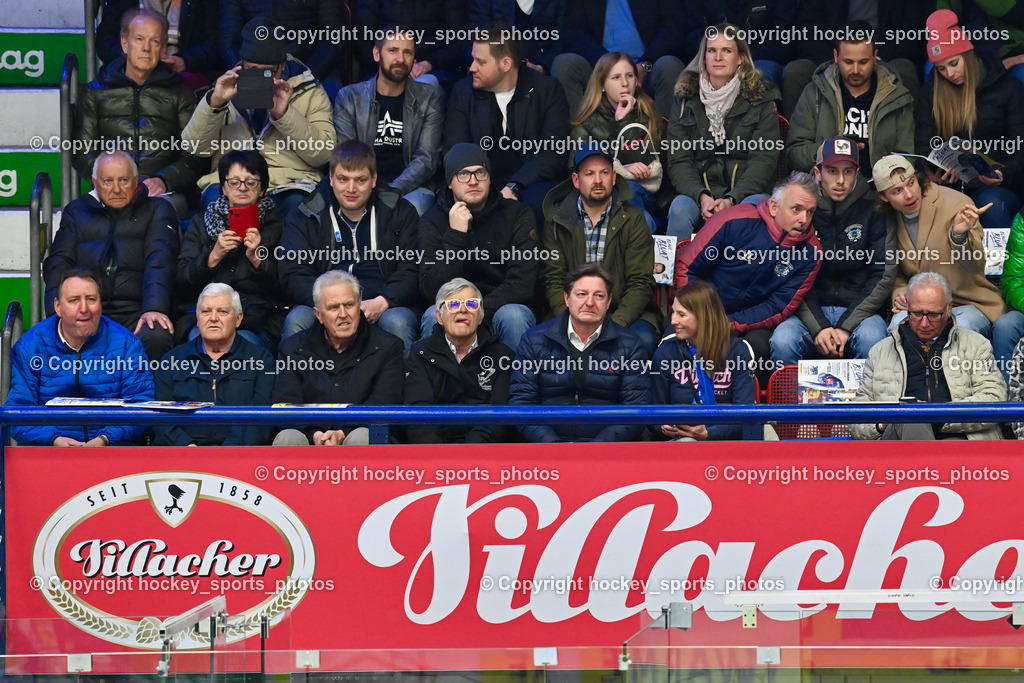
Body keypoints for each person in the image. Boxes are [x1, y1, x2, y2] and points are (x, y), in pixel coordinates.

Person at [676, 172, 822, 384]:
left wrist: (730, 324)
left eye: (810, 212)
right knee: (673, 346)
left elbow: (779, 306)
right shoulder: (734, 220)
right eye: (796, 209)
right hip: (699, 312)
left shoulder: (811, 252)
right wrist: (698, 315)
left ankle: (750, 413)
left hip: (744, 325)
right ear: (774, 207)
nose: (804, 220)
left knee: (761, 347)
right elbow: (688, 268)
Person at [872, 155, 1016, 369]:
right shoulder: (887, 218)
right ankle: (909, 397)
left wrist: (958, 235)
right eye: (897, 191)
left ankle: (960, 400)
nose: (909, 194)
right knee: (896, 327)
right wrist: (901, 292)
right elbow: (896, 273)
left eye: (911, 183)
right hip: (920, 306)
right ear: (884, 197)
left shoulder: (956, 203)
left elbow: (974, 265)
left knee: (959, 330)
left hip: (967, 303)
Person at [182, 16, 335, 217]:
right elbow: (194, 148)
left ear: (282, 65)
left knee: (299, 207)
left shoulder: (309, 90)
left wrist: (284, 114)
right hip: (233, 180)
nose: (261, 78)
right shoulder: (227, 88)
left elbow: (323, 153)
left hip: (288, 182)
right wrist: (214, 104)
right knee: (215, 202)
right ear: (242, 65)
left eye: (269, 72)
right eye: (252, 71)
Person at [277, 140, 423, 350]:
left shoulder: (399, 210)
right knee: (297, 320)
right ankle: (294, 383)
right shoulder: (307, 213)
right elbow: (293, 272)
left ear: (373, 179)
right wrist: (332, 306)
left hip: (383, 301)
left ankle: (404, 383)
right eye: (343, 179)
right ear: (331, 178)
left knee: (397, 322)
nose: (351, 189)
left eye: (360, 180)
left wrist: (384, 301)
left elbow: (411, 268)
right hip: (326, 302)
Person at [44, 151, 180, 361]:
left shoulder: (158, 209)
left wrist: (154, 309)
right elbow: (58, 265)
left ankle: (147, 395)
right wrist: (57, 313)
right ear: (95, 183)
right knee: (53, 336)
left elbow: (160, 262)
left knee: (155, 335)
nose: (116, 189)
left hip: (137, 310)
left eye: (123, 180)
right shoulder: (76, 211)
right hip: (86, 309)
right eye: (108, 181)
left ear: (136, 181)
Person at [770, 137, 894, 365]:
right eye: (832, 171)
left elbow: (884, 274)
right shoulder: (803, 209)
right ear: (817, 173)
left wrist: (847, 326)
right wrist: (819, 328)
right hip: (808, 313)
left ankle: (866, 401)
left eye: (848, 171)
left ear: (857, 174)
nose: (840, 180)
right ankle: (786, 401)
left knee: (873, 338)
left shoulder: (875, 208)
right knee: (783, 340)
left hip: (860, 313)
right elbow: (790, 274)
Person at [75, 8, 201, 217]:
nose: (146, 48)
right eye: (139, 39)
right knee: (80, 214)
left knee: (159, 212)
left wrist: (163, 179)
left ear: (163, 50)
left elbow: (194, 155)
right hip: (108, 189)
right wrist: (114, 183)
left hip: (161, 192)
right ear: (125, 44)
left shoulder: (180, 94)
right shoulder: (94, 92)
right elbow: (82, 151)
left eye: (154, 42)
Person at [851, 270, 1006, 441]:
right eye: (917, 313)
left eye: (933, 315)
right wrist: (883, 424)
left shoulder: (976, 345)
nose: (924, 323)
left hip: (958, 438)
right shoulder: (880, 352)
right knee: (909, 415)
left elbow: (994, 399)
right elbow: (857, 420)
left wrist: (937, 414)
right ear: (907, 306)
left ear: (949, 308)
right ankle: (926, 462)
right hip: (897, 442)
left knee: (915, 415)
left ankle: (925, 464)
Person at [7, 270, 155, 446]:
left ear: (100, 304)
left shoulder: (127, 345)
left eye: (91, 299)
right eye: (74, 300)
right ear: (57, 307)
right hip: (49, 454)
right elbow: (16, 412)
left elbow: (142, 407)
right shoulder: (30, 346)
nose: (84, 309)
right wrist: (53, 440)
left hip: (112, 451)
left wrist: (105, 439)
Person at [443, 22, 570, 225]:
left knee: (539, 199)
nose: (472, 67)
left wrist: (515, 186)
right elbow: (455, 151)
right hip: (478, 180)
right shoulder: (463, 92)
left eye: (480, 61)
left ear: (506, 64)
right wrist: (479, 184)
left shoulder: (547, 90)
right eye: (472, 59)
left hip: (529, 182)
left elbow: (553, 153)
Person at [541, 143, 662, 355]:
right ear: (576, 180)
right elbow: (553, 279)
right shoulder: (557, 220)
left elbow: (640, 282)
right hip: (572, 313)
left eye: (604, 172)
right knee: (544, 344)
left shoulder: (633, 219)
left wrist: (611, 328)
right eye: (589, 173)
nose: (598, 180)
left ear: (614, 178)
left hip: (622, 312)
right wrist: (573, 322)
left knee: (642, 339)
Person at [509, 263, 650, 442]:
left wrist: (595, 449)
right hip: (546, 450)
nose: (589, 303)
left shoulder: (630, 345)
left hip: (607, 453)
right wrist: (553, 446)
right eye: (581, 294)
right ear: (567, 298)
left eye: (598, 296)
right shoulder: (533, 340)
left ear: (608, 302)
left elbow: (635, 410)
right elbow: (522, 404)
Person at [666, 23, 781, 241]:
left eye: (726, 50)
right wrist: (702, 197)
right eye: (712, 50)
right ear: (704, 58)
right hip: (699, 194)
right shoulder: (685, 99)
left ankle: (740, 274)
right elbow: (678, 160)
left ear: (741, 58)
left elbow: (764, 161)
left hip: (746, 194)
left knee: (749, 210)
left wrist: (731, 199)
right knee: (679, 208)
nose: (718, 57)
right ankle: (675, 274)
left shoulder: (762, 98)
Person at [419, 143, 538, 349]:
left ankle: (518, 382)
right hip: (454, 307)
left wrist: (477, 310)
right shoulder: (432, 221)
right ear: (449, 182)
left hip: (501, 307)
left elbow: (522, 284)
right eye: (463, 174)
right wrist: (456, 236)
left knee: (515, 316)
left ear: (490, 177)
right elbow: (431, 290)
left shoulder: (517, 214)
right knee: (433, 315)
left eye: (480, 173)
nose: (473, 181)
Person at [915, 9, 1024, 229]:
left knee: (992, 205)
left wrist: (1004, 173)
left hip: (1000, 187)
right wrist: (938, 171)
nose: (949, 73)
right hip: (951, 187)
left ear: (968, 55)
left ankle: (999, 263)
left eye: (954, 63)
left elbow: (1021, 144)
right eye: (941, 68)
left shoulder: (1006, 88)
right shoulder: (931, 93)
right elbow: (924, 145)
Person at [272, 271, 405, 446]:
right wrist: (315, 434)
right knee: (288, 436)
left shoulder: (389, 347)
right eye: (333, 307)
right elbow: (287, 403)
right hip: (311, 437)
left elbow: (384, 404)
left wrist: (343, 433)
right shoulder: (292, 349)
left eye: (349, 304)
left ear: (359, 304)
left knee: (363, 436)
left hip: (359, 434)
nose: (343, 314)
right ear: (318, 314)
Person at [177, 150, 285, 348]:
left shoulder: (278, 225)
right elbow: (181, 282)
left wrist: (258, 259)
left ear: (262, 189)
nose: (242, 188)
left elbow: (287, 285)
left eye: (251, 182)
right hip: (208, 316)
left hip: (256, 320)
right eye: (234, 182)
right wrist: (213, 256)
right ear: (223, 188)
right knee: (202, 342)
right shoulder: (202, 223)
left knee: (241, 345)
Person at [333, 27, 444, 216]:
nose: (400, 59)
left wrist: (391, 193)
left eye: (407, 52)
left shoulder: (429, 96)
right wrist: (369, 191)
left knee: (411, 209)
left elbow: (427, 158)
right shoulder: (349, 97)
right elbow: (348, 156)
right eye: (393, 50)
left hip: (411, 189)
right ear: (377, 54)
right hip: (360, 186)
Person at [786, 22, 915, 178]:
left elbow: (906, 157)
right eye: (848, 62)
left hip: (878, 188)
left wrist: (885, 183)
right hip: (825, 189)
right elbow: (794, 154)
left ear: (875, 57)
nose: (855, 70)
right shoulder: (814, 92)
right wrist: (829, 150)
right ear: (835, 56)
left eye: (863, 62)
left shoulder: (896, 95)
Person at [152, 283, 275, 446]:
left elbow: (261, 418)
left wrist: (225, 452)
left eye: (222, 311)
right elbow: (159, 418)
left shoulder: (261, 360)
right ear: (197, 319)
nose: (213, 318)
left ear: (238, 319)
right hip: (183, 457)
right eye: (206, 311)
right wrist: (187, 447)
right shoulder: (171, 361)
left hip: (241, 456)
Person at [405, 278, 515, 444]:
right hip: (434, 453)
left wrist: (469, 452)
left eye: (471, 304)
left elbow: (499, 416)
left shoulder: (502, 356)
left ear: (480, 316)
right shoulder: (419, 354)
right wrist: (439, 457)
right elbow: (419, 414)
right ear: (439, 317)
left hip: (485, 452)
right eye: (453, 305)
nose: (463, 310)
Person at [570, 51, 663, 232]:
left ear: (637, 80)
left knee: (629, 189)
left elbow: (647, 166)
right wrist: (618, 172)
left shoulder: (650, 114)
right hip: (601, 195)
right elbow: (575, 170)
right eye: (616, 77)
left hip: (643, 192)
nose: (625, 83)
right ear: (602, 84)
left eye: (629, 76)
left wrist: (624, 122)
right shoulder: (586, 122)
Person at [652, 280, 756, 441]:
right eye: (673, 313)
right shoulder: (666, 352)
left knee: (770, 439)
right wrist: (662, 426)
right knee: (688, 442)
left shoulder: (739, 351)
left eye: (681, 315)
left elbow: (747, 417)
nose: (673, 321)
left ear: (703, 316)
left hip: (730, 439)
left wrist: (709, 434)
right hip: (683, 440)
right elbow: (653, 411)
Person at [554, 0, 689, 118]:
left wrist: (644, 65)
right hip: (599, 67)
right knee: (564, 64)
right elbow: (572, 32)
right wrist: (609, 64)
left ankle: (666, 140)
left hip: (647, 67)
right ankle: (583, 142)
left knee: (670, 66)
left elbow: (674, 26)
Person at [219, 0, 345, 100]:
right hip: (254, 66)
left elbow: (333, 38)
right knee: (225, 100)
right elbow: (229, 42)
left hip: (310, 65)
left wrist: (305, 77)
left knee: (333, 94)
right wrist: (249, 74)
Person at [96, 0, 221, 89]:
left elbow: (216, 43)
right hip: (129, 69)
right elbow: (105, 41)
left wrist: (184, 60)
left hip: (182, 73)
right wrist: (132, 59)